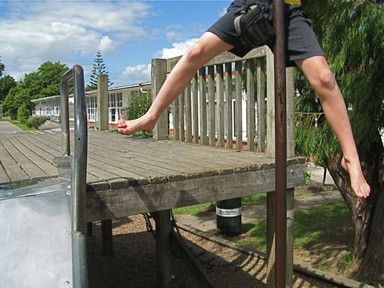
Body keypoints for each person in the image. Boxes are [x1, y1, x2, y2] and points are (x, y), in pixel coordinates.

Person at [117, 0, 371, 198]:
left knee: (325, 78)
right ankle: (151, 117)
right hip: (253, 6)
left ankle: (350, 158)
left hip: (291, 12)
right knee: (196, 51)